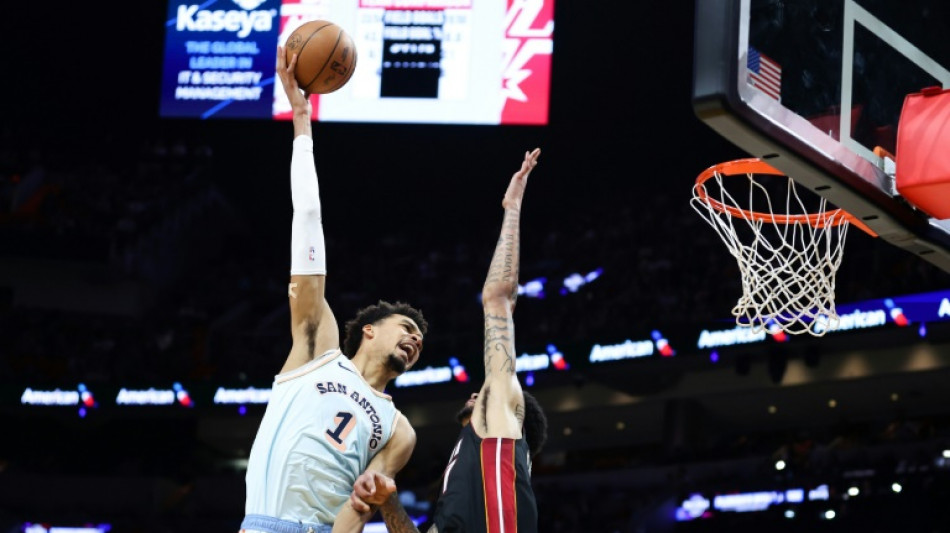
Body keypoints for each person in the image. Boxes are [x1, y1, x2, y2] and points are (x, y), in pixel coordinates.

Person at [240, 46, 428, 533]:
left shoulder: (400, 429)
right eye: (405, 327)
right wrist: (302, 126)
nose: (415, 338)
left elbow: (362, 504)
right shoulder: (317, 351)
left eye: (420, 339)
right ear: (368, 330)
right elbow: (307, 222)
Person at [340, 148, 549, 533]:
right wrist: (389, 504)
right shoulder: (462, 473)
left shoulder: (498, 418)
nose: (478, 392)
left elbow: (498, 299)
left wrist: (513, 208)